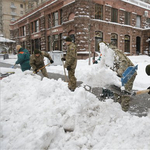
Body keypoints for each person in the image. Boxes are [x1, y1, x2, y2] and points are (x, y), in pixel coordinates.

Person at [109, 43, 137, 111]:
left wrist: (120, 71)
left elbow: (123, 61)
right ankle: (118, 109)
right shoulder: (108, 56)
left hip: (129, 73)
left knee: (125, 92)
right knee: (116, 91)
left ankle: (124, 111)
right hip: (121, 75)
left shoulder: (115, 52)